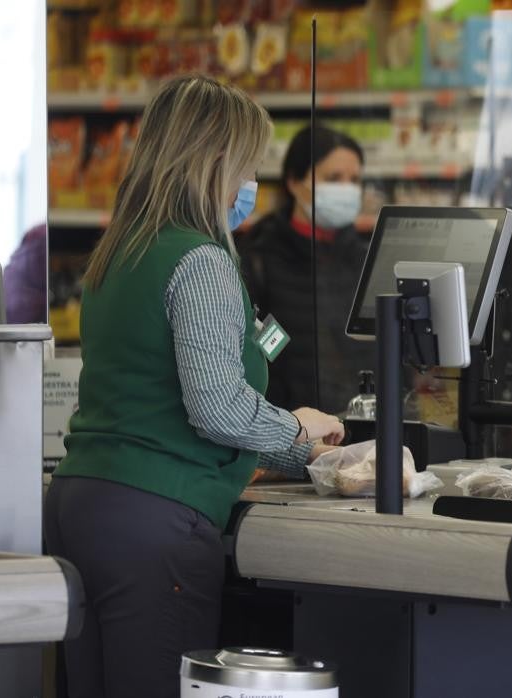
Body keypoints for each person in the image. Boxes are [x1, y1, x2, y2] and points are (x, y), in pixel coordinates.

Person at [44, 75, 346, 698]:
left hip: (84, 506)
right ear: (212, 163)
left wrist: (305, 458)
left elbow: (160, 397)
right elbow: (214, 406)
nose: (250, 186)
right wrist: (297, 428)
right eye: (245, 166)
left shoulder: (118, 254)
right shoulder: (201, 259)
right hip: (155, 523)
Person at [237, 124, 374, 416]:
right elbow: (259, 346)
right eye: (333, 178)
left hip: (361, 426)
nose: (347, 189)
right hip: (291, 431)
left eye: (355, 180)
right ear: (295, 182)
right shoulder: (259, 258)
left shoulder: (366, 258)